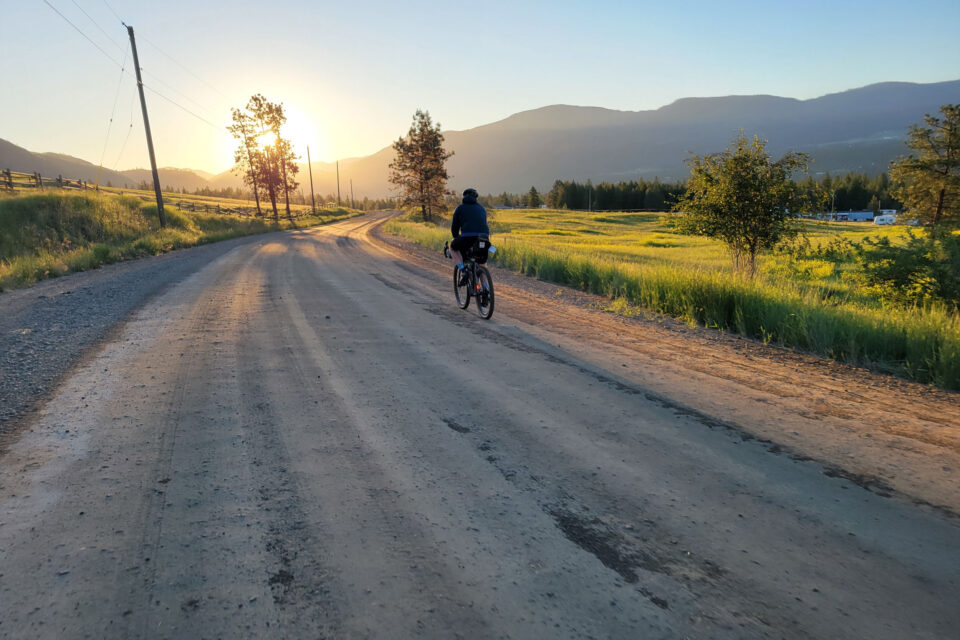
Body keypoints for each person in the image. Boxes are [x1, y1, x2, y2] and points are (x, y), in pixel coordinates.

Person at [449, 187, 490, 271]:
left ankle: (462, 269)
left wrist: (456, 236)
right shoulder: (481, 208)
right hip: (483, 238)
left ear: (463, 197)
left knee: (452, 247)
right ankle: (486, 284)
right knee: (481, 264)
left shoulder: (460, 208)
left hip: (467, 237)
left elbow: (455, 226)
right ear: (475, 198)